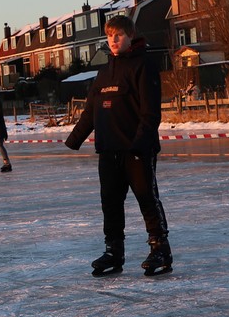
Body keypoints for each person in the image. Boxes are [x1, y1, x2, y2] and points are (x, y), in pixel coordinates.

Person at [63, 14, 171, 277]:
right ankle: (114, 251)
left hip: (136, 150)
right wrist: (74, 139)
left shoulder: (144, 66)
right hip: (108, 150)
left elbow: (150, 113)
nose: (113, 40)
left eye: (119, 35)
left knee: (147, 198)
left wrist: (140, 144)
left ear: (130, 36)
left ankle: (160, 248)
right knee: (110, 203)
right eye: (110, 35)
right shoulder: (104, 72)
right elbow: (91, 111)